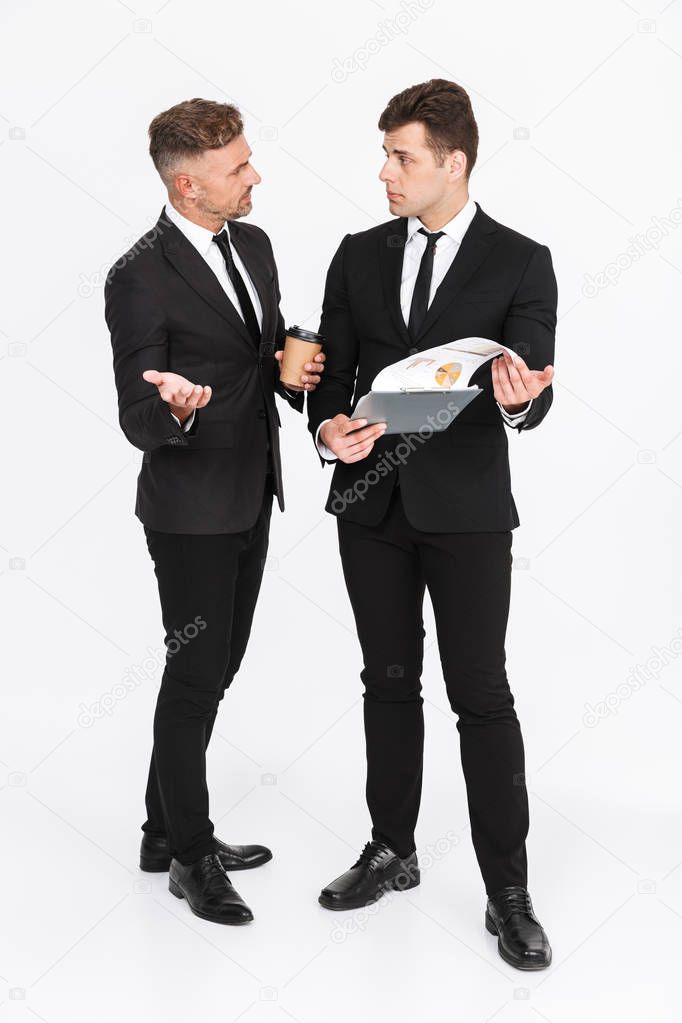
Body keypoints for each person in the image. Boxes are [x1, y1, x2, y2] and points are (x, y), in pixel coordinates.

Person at [307, 79, 556, 970]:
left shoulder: (523, 260)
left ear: (453, 163)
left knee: (481, 695)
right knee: (386, 680)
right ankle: (391, 848)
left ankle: (508, 890)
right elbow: (332, 370)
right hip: (370, 506)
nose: (385, 172)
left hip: (468, 515)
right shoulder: (356, 252)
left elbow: (532, 386)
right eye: (385, 155)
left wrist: (526, 403)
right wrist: (329, 424)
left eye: (401, 156)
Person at [105, 97, 325, 926]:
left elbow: (249, 356)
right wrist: (178, 410)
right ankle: (190, 855)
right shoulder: (138, 275)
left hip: (251, 490)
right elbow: (137, 415)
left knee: (218, 666)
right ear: (190, 185)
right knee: (196, 673)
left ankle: (163, 829)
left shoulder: (254, 244)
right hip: (190, 506)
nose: (254, 175)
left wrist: (285, 369)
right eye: (238, 168)